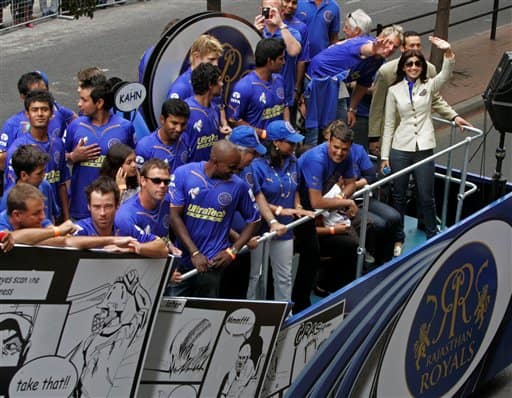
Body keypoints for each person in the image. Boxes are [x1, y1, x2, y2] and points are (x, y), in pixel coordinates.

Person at [380, 37, 456, 244]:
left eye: (417, 64)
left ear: (422, 67)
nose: (414, 67)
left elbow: (445, 75)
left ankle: (432, 235)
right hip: (400, 148)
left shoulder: (429, 85)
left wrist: (448, 52)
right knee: (399, 195)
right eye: (409, 64)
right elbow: (388, 125)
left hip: (423, 147)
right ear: (403, 67)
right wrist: (385, 156)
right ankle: (398, 236)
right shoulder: (393, 91)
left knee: (426, 195)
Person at [169, 140, 261, 298]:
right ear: (215, 161)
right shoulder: (184, 173)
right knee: (173, 311)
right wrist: (194, 252)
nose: (234, 172)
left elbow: (254, 220)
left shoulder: (239, 186)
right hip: (182, 260)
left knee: (204, 315)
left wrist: (232, 251)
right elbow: (173, 214)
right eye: (231, 167)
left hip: (213, 264)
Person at [368, 30, 472, 156]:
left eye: (418, 45)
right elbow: (377, 107)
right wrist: (374, 138)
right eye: (412, 46)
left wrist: (454, 116)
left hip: (420, 139)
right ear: (402, 48)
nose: (416, 49)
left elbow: (435, 99)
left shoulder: (429, 69)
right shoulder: (386, 72)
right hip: (394, 137)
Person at [244, 120, 311, 302]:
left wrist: (297, 206)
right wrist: (281, 211)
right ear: (276, 142)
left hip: (285, 228)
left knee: (284, 276)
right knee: (256, 276)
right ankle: (250, 313)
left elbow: (295, 187)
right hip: (260, 230)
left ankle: (284, 315)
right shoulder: (257, 166)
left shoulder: (293, 161)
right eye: (289, 142)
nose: (294, 146)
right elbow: (257, 197)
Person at [295, 120, 359, 308]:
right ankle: (301, 305)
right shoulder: (317, 158)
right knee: (311, 253)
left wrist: (342, 195)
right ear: (328, 141)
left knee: (351, 243)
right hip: (300, 205)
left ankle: (334, 289)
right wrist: (346, 201)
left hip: (322, 205)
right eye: (336, 147)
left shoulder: (347, 156)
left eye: (344, 149)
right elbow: (316, 202)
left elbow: (352, 183)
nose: (339, 153)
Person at [304, 24, 403, 144]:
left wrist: (352, 109)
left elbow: (363, 84)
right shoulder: (365, 44)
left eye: (395, 47)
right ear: (380, 37)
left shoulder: (379, 60)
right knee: (313, 129)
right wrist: (372, 50)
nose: (391, 48)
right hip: (316, 78)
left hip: (337, 84)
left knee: (340, 126)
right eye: (389, 42)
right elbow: (364, 49)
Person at [65, 76, 135, 220]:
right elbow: (60, 157)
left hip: (112, 207)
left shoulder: (124, 127)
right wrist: (73, 156)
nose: (79, 104)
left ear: (99, 103)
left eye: (84, 100)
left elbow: (133, 164)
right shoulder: (75, 126)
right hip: (81, 208)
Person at [4, 90, 70, 220]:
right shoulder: (17, 149)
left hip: (51, 217)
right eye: (35, 110)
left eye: (44, 109)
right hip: (27, 220)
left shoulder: (58, 144)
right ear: (27, 114)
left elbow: (61, 183)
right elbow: (13, 191)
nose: (40, 114)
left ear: (51, 114)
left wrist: (66, 218)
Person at [74, 176, 168, 258]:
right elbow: (64, 241)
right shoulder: (81, 228)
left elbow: (162, 247)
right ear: (89, 207)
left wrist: (132, 249)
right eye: (96, 207)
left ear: (117, 205)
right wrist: (111, 241)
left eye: (108, 206)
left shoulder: (124, 227)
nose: (102, 213)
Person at [0, 71, 75, 170]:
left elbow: (60, 154)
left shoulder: (60, 115)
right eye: (35, 93)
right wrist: (25, 155)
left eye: (44, 92)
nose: (41, 97)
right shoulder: (12, 124)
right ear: (23, 97)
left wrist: (72, 156)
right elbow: (1, 163)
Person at [228, 38, 287, 138]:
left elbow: (285, 106)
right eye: (281, 59)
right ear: (270, 61)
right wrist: (262, 134)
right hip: (255, 147)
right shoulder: (244, 87)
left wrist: (287, 128)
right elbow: (234, 121)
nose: (284, 62)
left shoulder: (279, 80)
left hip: (277, 146)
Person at [174, 63, 228, 168]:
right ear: (210, 85)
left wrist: (221, 133)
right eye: (219, 80)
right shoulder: (186, 111)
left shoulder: (214, 108)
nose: (222, 84)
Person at [255, 0, 303, 113]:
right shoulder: (257, 31)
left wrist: (281, 25)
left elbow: (294, 51)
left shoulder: (291, 32)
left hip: (283, 96)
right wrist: (254, 32)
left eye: (273, 10)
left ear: (281, 12)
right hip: (259, 96)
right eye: (266, 9)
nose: (269, 14)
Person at [0, 145, 60, 223]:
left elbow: (54, 214)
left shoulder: (45, 185)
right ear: (24, 175)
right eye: (39, 173)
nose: (43, 175)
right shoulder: (8, 199)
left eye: (44, 171)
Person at [135, 98, 190, 169]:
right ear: (162, 119)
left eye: (183, 124)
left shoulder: (187, 139)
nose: (179, 129)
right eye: (174, 123)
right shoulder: (145, 147)